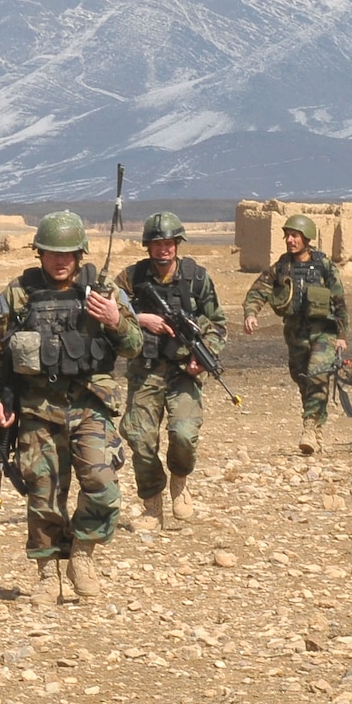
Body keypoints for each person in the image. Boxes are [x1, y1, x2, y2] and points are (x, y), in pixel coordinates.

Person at [0, 211, 143, 603]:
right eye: (52, 252)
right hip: (37, 408)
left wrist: (116, 320)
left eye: (68, 253)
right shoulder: (18, 294)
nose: (60, 260)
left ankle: (82, 553)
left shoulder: (103, 291)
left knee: (103, 486)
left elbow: (134, 346)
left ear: (81, 254)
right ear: (39, 254)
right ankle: (47, 573)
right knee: (43, 494)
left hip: (90, 405)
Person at [114, 212, 226, 531]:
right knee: (139, 436)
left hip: (183, 371)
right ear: (148, 246)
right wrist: (140, 318)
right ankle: (152, 505)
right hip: (145, 369)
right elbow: (107, 310)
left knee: (184, 434)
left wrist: (203, 358)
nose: (163, 249)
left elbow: (217, 324)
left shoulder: (196, 278)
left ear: (177, 244)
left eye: (169, 243)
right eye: (157, 243)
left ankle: (179, 478)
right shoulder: (131, 278)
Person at [242, 213, 348, 455]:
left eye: (295, 236)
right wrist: (251, 313)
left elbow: (340, 300)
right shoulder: (281, 267)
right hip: (295, 334)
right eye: (287, 235)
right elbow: (259, 291)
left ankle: (310, 429)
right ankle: (315, 424)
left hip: (324, 332)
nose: (290, 240)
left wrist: (342, 335)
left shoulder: (324, 266)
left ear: (306, 238)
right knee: (304, 380)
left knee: (317, 374)